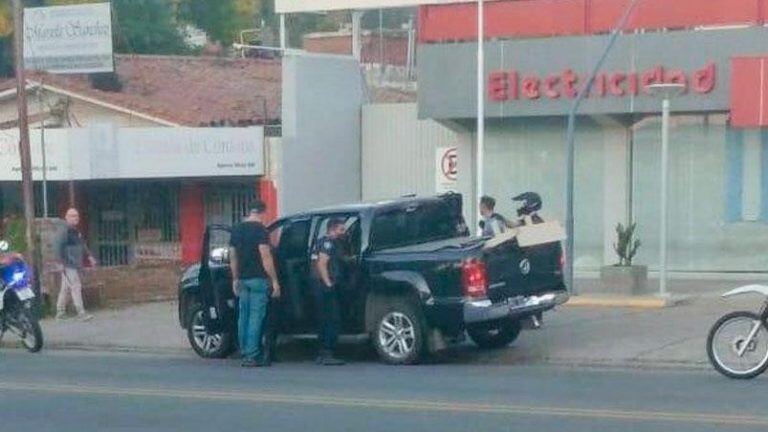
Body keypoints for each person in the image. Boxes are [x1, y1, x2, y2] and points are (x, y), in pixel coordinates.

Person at [229, 201, 281, 368]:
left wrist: (235, 278)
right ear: (263, 213)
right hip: (258, 278)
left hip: (243, 279)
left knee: (243, 316)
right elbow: (265, 256)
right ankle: (252, 355)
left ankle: (244, 350)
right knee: (255, 317)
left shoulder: (237, 229)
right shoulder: (260, 230)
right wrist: (274, 280)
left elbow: (233, 256)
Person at [310, 218, 348, 366]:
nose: (343, 232)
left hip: (319, 285)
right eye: (341, 229)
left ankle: (323, 352)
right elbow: (322, 263)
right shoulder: (327, 243)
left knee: (325, 318)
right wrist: (328, 283)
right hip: (323, 285)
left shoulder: (324, 242)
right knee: (330, 319)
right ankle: (326, 352)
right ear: (332, 229)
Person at [56, 208, 96, 321]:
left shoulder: (75, 231)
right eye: (73, 216)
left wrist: (89, 256)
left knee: (66, 288)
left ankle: (60, 312)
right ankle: (81, 312)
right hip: (68, 264)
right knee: (75, 286)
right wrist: (60, 262)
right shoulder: (64, 231)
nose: (76, 218)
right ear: (66, 217)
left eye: (77, 216)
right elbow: (58, 247)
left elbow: (82, 244)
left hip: (73, 263)